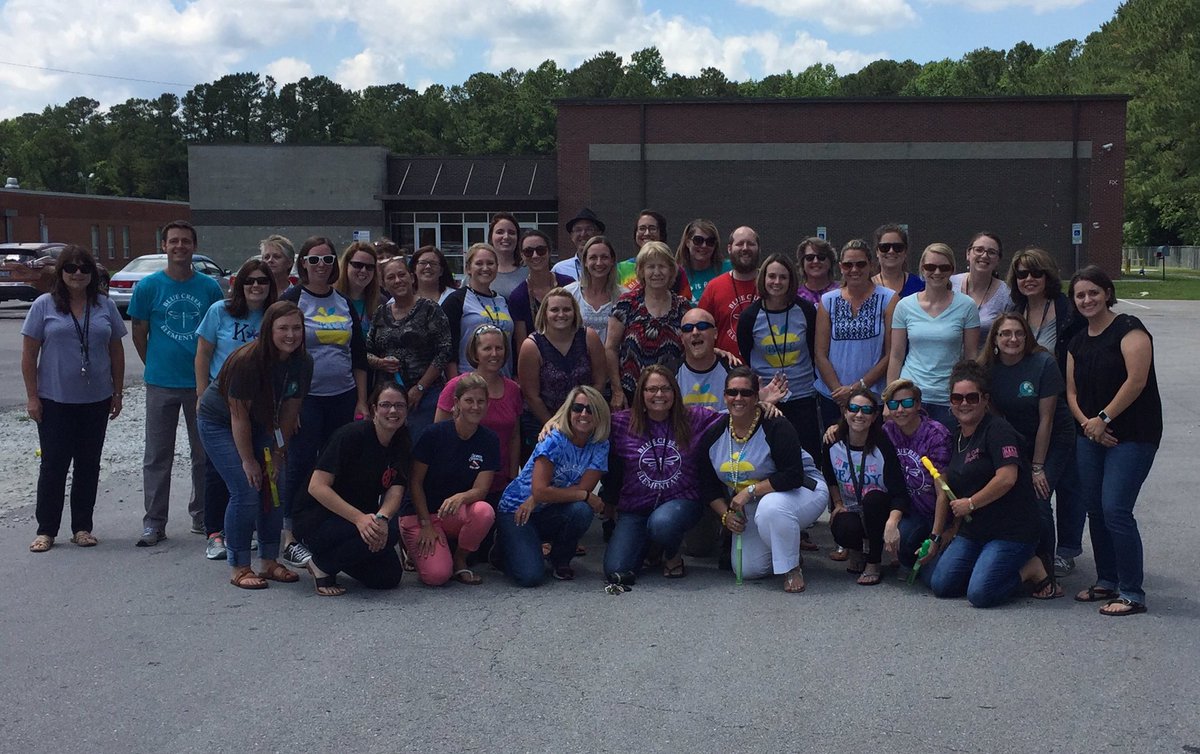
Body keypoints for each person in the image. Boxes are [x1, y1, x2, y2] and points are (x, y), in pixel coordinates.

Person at [1066, 266, 1161, 616]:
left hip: (1132, 434)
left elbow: (1136, 381)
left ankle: (1132, 592)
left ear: (1107, 292)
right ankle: (1107, 579)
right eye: (1080, 295)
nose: (1087, 300)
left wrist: (1103, 418)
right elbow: (1071, 391)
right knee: (1095, 508)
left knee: (1115, 509)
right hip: (1089, 433)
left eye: (1093, 292)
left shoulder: (1130, 329)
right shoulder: (1076, 341)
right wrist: (1087, 424)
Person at [197, 301, 311, 589]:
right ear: (268, 330)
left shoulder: (302, 362)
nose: (290, 335)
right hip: (220, 422)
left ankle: (270, 560)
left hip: (262, 422)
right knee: (246, 488)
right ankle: (239, 565)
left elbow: (290, 411)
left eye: (296, 328)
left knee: (275, 486)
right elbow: (238, 417)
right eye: (283, 328)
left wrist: (277, 453)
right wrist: (248, 460)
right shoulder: (247, 360)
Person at [926, 361, 1054, 608]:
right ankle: (984, 566)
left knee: (981, 594)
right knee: (941, 584)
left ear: (985, 399)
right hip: (974, 532)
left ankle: (1032, 568)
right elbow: (946, 487)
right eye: (957, 398)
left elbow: (1007, 478)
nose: (964, 404)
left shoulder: (998, 431)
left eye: (972, 398)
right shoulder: (955, 436)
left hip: (1011, 532)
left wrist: (971, 504)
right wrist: (938, 534)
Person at [22, 245, 125, 553]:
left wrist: (117, 391)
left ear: (92, 274)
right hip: (54, 400)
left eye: (84, 268)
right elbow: (29, 356)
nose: (78, 273)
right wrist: (32, 398)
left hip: (96, 400)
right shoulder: (43, 305)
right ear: (61, 272)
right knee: (54, 465)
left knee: (88, 465)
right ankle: (46, 530)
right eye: (71, 268)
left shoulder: (104, 306)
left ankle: (82, 527)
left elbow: (116, 352)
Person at [128, 220, 224, 546]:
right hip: (161, 383)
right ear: (164, 245)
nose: (179, 246)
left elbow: (215, 332)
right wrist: (154, 362)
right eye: (173, 241)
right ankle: (154, 522)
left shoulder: (209, 288)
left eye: (185, 241)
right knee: (157, 456)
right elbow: (139, 332)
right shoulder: (148, 287)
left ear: (194, 247)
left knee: (204, 454)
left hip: (201, 384)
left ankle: (202, 515)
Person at [278, 236, 369, 568]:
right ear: (302, 263)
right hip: (306, 399)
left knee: (338, 465)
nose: (321, 267)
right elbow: (280, 354)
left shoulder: (343, 302)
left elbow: (358, 356)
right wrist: (290, 403)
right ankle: (288, 533)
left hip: (342, 396)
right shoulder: (293, 299)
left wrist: (361, 401)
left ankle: (329, 523)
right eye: (314, 260)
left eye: (328, 260)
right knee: (300, 463)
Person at [699, 368, 828, 592]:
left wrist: (749, 491)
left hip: (801, 491)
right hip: (752, 502)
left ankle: (791, 568)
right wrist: (725, 516)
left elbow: (793, 475)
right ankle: (787, 545)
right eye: (732, 392)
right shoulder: (714, 433)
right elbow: (708, 486)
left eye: (746, 393)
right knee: (747, 570)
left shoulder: (776, 424)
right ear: (724, 395)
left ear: (756, 396)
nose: (738, 398)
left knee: (772, 507)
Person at [978, 313, 1073, 598]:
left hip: (1052, 438)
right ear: (994, 339)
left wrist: (1037, 467)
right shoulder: (988, 370)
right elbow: (993, 413)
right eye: (1005, 334)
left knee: (1040, 498)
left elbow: (1047, 420)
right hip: (1016, 438)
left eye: (1019, 333)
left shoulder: (1043, 364)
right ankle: (1022, 558)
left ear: (1027, 337)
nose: (1013, 339)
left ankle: (1047, 574)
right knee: (1012, 496)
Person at [602, 366, 725, 581]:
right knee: (617, 570)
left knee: (662, 523)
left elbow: (732, 417)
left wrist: (763, 403)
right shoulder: (621, 423)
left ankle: (671, 552)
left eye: (666, 388)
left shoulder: (693, 418)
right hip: (636, 508)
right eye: (652, 389)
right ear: (641, 394)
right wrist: (555, 422)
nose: (659, 395)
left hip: (682, 502)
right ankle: (652, 548)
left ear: (675, 392)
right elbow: (586, 423)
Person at [1005, 246, 1085, 576]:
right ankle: (1035, 546)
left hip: (1064, 408)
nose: (1029, 279)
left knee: (1065, 482)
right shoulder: (1015, 309)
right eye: (1022, 274)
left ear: (1048, 276)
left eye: (1036, 273)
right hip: (1025, 411)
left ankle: (1065, 549)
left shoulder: (1067, 311)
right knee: (1033, 486)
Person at [292, 382, 411, 596]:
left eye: (399, 405)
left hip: (357, 521)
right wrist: (359, 519)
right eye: (386, 404)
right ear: (374, 408)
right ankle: (321, 564)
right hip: (318, 518)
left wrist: (382, 517)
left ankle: (337, 557)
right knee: (390, 534)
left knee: (388, 576)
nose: (393, 411)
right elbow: (317, 487)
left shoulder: (402, 440)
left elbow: (396, 488)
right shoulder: (351, 436)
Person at [194, 258, 277, 560]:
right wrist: (201, 392)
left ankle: (247, 529)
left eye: (263, 281)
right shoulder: (221, 311)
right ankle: (215, 532)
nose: (256, 286)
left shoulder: (272, 316)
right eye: (250, 280)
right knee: (221, 470)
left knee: (258, 468)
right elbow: (203, 353)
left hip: (260, 405)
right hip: (222, 401)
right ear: (239, 284)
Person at [498, 385, 611, 585]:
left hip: (550, 508)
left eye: (591, 409)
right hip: (517, 509)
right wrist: (582, 495)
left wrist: (544, 497)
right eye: (578, 408)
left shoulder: (600, 444)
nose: (584, 414)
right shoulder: (554, 438)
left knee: (581, 511)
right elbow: (542, 490)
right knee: (530, 577)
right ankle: (501, 549)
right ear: (569, 411)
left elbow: (582, 489)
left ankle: (560, 560)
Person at [401, 374, 499, 587]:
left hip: (451, 512)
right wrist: (426, 523)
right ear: (456, 403)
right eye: (469, 400)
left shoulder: (490, 440)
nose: (475, 406)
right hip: (421, 514)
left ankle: (460, 558)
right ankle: (410, 544)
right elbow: (415, 482)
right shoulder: (433, 434)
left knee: (484, 511)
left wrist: (461, 497)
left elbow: (481, 490)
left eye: (481, 401)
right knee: (436, 576)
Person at [737, 252, 822, 459]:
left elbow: (814, 350)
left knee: (808, 456)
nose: (777, 282)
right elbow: (747, 354)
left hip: (802, 395)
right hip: (767, 399)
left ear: (791, 280)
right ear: (763, 278)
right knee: (771, 457)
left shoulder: (806, 310)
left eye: (783, 277)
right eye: (772, 276)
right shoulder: (750, 316)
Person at [887, 242, 980, 430]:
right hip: (909, 398)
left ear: (952, 270)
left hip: (948, 397)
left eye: (943, 267)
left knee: (944, 455)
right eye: (930, 267)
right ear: (922, 269)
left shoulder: (967, 306)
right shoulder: (904, 306)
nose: (936, 272)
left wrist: (970, 397)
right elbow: (896, 355)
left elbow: (971, 356)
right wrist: (890, 400)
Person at [822, 388, 909, 585]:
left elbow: (898, 490)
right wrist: (836, 503)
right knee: (843, 525)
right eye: (853, 408)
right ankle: (856, 550)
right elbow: (829, 476)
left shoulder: (882, 445)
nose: (859, 415)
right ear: (845, 412)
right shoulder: (832, 441)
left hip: (879, 508)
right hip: (851, 508)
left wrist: (892, 522)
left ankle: (874, 561)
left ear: (874, 416)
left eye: (866, 410)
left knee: (874, 498)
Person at [366, 256, 453, 442]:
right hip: (388, 399)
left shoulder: (430, 309)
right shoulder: (381, 313)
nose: (398, 281)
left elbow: (444, 351)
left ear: (412, 277)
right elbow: (365, 352)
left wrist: (420, 387)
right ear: (383, 283)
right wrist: (380, 363)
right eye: (391, 277)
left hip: (424, 396)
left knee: (420, 449)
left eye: (401, 275)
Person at [814, 239, 896, 428]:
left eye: (860, 264)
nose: (854, 269)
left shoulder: (888, 299)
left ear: (871, 265)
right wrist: (839, 393)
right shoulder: (827, 301)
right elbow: (820, 353)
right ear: (840, 267)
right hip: (833, 396)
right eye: (848, 265)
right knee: (833, 450)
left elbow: (890, 353)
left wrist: (858, 388)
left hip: (872, 395)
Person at [435, 325, 522, 499]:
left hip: (500, 482)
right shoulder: (456, 386)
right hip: (461, 483)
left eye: (499, 348)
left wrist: (513, 477)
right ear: (475, 353)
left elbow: (514, 437)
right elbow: (438, 435)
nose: (494, 354)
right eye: (487, 348)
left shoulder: (513, 389)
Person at [605, 242, 693, 407]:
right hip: (631, 395)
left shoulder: (683, 307)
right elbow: (610, 348)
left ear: (671, 270)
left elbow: (693, 345)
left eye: (662, 266)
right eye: (651, 267)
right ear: (641, 271)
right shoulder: (627, 303)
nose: (657, 272)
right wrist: (617, 391)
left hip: (670, 395)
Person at [877, 379, 952, 573]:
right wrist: (835, 429)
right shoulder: (887, 431)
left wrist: (936, 537)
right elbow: (858, 433)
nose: (900, 409)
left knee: (938, 579)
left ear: (918, 404)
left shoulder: (936, 435)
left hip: (940, 511)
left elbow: (943, 492)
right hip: (912, 511)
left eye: (907, 403)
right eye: (893, 404)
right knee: (907, 552)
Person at [517, 288, 606, 428]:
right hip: (545, 422)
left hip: (586, 418)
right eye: (554, 310)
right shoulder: (531, 346)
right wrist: (555, 425)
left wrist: (585, 414)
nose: (561, 314)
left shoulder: (589, 337)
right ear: (545, 313)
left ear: (575, 312)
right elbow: (531, 396)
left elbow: (600, 382)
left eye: (566, 309)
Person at [441, 242, 515, 375]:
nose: (485, 268)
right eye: (479, 263)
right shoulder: (456, 301)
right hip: (470, 383)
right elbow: (447, 348)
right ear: (468, 268)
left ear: (497, 267)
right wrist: (454, 383)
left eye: (490, 263)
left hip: (503, 381)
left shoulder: (503, 301)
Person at [698, 225, 761, 357]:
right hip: (726, 371)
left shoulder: (771, 284)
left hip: (766, 370)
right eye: (740, 244)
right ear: (729, 249)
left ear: (759, 249)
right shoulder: (714, 287)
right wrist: (714, 350)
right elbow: (698, 330)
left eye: (750, 244)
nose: (745, 248)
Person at [509, 230, 573, 347]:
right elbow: (521, 344)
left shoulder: (569, 285)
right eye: (528, 252)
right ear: (522, 255)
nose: (535, 255)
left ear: (549, 252)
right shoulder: (518, 296)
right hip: (536, 358)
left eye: (541, 250)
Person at [951, 232, 1010, 351]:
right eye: (979, 250)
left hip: (986, 365)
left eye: (991, 252)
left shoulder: (1006, 294)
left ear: (998, 260)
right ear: (968, 254)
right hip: (946, 364)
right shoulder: (950, 284)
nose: (984, 255)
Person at [616, 210, 691, 298]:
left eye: (652, 228)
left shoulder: (677, 271)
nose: (647, 233)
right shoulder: (620, 269)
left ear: (661, 234)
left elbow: (686, 305)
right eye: (642, 228)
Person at [565, 236, 622, 343]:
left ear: (612, 261)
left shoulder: (624, 297)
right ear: (585, 261)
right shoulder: (569, 294)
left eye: (604, 257)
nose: (599, 263)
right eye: (593, 257)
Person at [675, 219, 730, 301]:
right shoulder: (675, 274)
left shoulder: (729, 269)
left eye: (710, 241)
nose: (704, 246)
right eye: (698, 240)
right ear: (687, 242)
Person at [334, 241, 380, 338]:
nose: (363, 270)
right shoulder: (330, 298)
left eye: (369, 267)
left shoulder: (379, 303)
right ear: (346, 265)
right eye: (358, 265)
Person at [871, 223, 925, 298]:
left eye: (898, 247)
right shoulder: (867, 287)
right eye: (885, 247)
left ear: (905, 251)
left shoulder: (919, 286)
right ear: (877, 252)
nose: (891, 251)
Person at [552, 207, 605, 281]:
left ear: (599, 234)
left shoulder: (609, 268)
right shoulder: (559, 270)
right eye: (578, 230)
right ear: (571, 236)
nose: (583, 234)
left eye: (589, 229)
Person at [487, 212, 528, 299]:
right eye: (500, 232)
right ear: (491, 237)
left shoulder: (529, 270)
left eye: (511, 233)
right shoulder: (479, 270)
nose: (506, 237)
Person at [796, 237, 839, 307]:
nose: (815, 261)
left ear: (830, 262)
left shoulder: (842, 293)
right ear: (802, 263)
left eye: (821, 257)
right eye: (810, 257)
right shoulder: (795, 296)